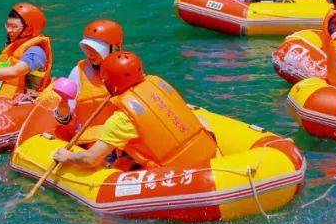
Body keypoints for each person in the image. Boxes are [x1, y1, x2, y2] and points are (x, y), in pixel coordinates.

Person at [51, 51, 217, 170]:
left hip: (177, 174)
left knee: (115, 164)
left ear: (109, 82)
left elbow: (90, 159)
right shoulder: (159, 87)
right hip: (210, 155)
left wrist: (67, 156)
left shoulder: (122, 119)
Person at [53, 20, 125, 142]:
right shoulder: (79, 72)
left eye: (96, 49)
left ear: (114, 48)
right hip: (90, 141)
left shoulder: (127, 69)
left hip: (119, 140)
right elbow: (65, 119)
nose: (90, 54)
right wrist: (63, 108)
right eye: (87, 48)